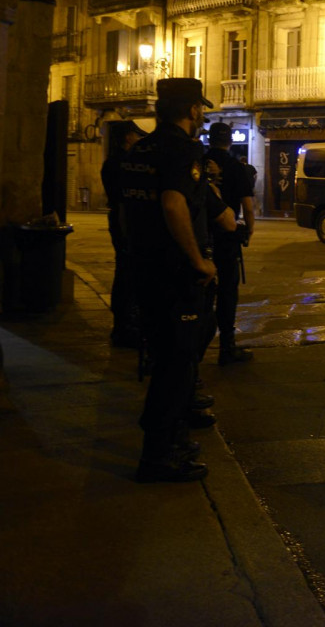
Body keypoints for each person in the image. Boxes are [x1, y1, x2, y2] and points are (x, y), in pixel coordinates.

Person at [119, 78, 222, 484]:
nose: (202, 117)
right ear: (193, 110)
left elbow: (129, 212)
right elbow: (173, 202)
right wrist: (198, 261)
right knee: (176, 367)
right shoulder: (182, 150)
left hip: (145, 269)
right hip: (175, 275)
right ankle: (159, 456)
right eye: (201, 110)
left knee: (166, 359)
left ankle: (173, 440)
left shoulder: (139, 150)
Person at [203, 122, 256, 365]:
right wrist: (248, 231)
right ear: (230, 141)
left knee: (200, 292)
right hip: (227, 236)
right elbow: (247, 205)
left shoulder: (197, 164)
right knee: (227, 292)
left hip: (200, 235)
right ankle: (227, 346)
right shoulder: (237, 167)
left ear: (209, 139)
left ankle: (196, 347)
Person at [101, 120, 146, 348]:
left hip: (123, 222)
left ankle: (125, 325)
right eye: (136, 135)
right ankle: (124, 327)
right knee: (127, 274)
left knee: (126, 273)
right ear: (128, 137)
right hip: (124, 222)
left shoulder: (114, 161)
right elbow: (121, 202)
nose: (139, 139)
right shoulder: (121, 163)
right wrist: (127, 233)